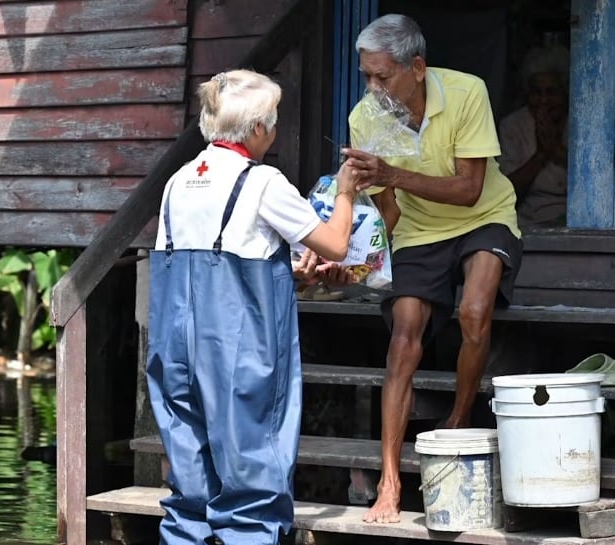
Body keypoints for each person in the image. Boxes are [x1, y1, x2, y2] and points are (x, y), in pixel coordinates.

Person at [146, 69, 358, 545]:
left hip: (174, 338)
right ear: (259, 128)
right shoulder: (263, 181)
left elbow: (207, 257)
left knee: (189, 459)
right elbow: (337, 244)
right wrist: (345, 190)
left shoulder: (179, 180)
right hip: (237, 344)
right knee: (252, 455)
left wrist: (294, 272)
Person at [340, 14, 524, 524]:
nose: (373, 89)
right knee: (403, 337)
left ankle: (460, 416)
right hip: (419, 230)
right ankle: (391, 480)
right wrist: (361, 248)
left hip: (484, 217)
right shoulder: (365, 118)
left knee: (473, 311)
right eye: (366, 77)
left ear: (417, 67)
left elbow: (469, 190)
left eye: (383, 76)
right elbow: (391, 210)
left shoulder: (467, 93)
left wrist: (393, 172)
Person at [498, 45, 569, 228]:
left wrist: (556, 150)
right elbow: (504, 192)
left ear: (565, 93)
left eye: (551, 92)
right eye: (536, 92)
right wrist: (540, 156)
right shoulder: (513, 126)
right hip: (529, 223)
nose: (543, 100)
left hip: (576, 222)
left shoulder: (582, 124)